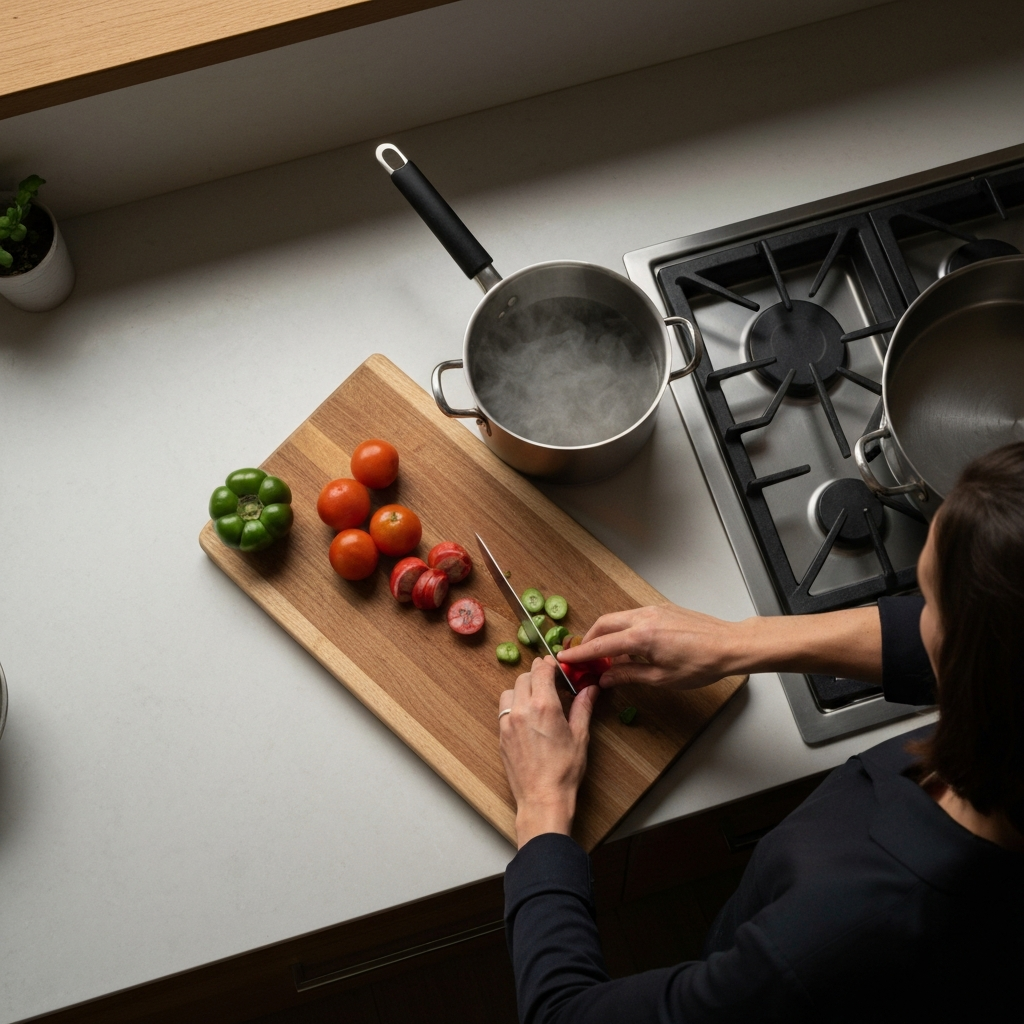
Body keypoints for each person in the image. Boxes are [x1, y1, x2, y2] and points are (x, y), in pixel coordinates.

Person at [497, 443, 1024, 1023]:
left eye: (931, 603)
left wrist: (543, 808)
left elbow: (560, 1017)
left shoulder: (840, 933)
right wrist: (740, 643)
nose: (914, 611)